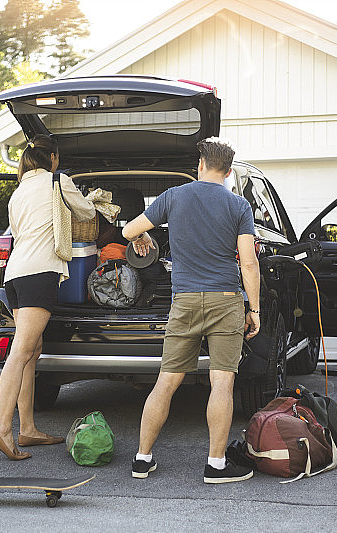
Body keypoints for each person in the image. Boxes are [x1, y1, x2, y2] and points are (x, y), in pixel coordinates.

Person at [123, 137, 261, 483]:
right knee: (221, 382)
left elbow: (128, 229)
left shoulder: (173, 197)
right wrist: (254, 309)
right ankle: (215, 465)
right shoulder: (238, 206)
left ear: (200, 165)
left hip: (184, 300)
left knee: (166, 381)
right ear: (228, 172)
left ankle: (142, 460)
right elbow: (249, 264)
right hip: (225, 301)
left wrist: (141, 238)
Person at [0, 134, 96, 460]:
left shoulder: (18, 191)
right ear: (52, 159)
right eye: (57, 158)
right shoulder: (58, 181)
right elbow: (87, 213)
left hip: (16, 274)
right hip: (39, 274)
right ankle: (3, 429)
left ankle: (28, 429)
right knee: (21, 351)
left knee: (31, 350)